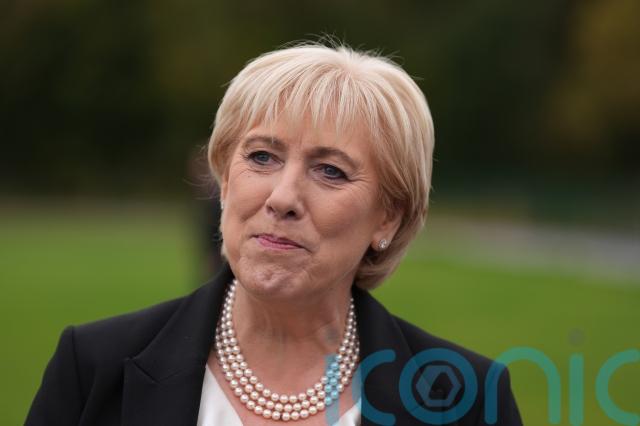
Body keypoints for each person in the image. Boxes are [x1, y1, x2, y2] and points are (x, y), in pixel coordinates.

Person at [26, 43, 523, 425]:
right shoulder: (93, 368)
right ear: (224, 180)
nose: (282, 197)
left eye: (330, 171)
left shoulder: (468, 400)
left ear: (388, 218)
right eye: (261, 157)